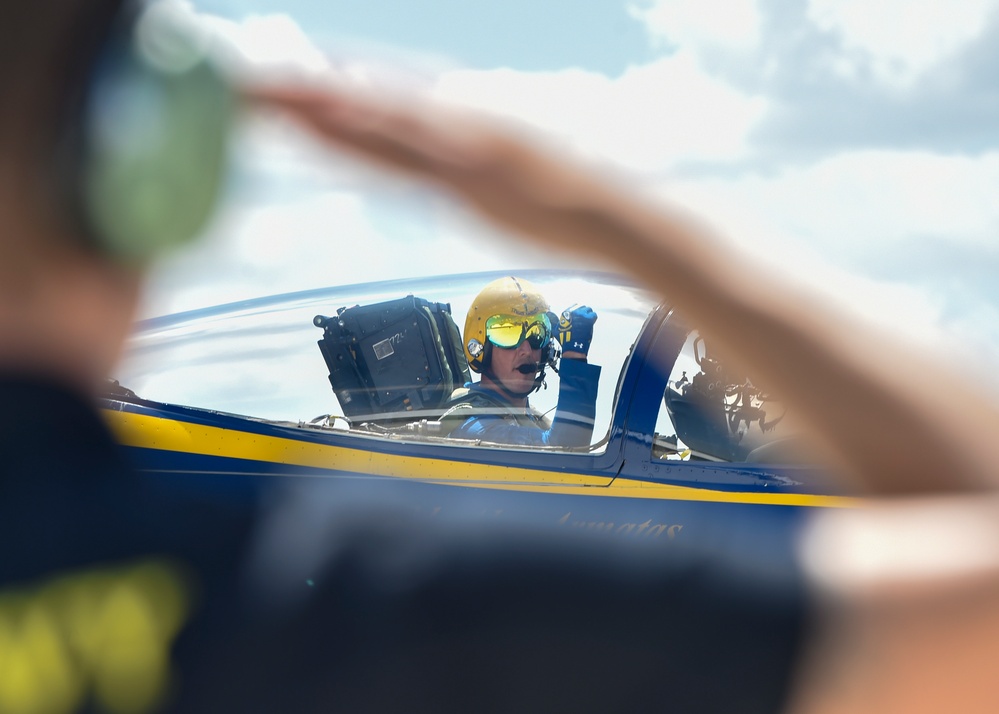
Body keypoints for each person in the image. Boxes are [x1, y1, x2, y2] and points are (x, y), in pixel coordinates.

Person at [441, 275, 600, 447]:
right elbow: (564, 451)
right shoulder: (476, 431)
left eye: (537, 334)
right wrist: (574, 357)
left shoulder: (528, 418)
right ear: (481, 348)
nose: (526, 351)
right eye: (507, 333)